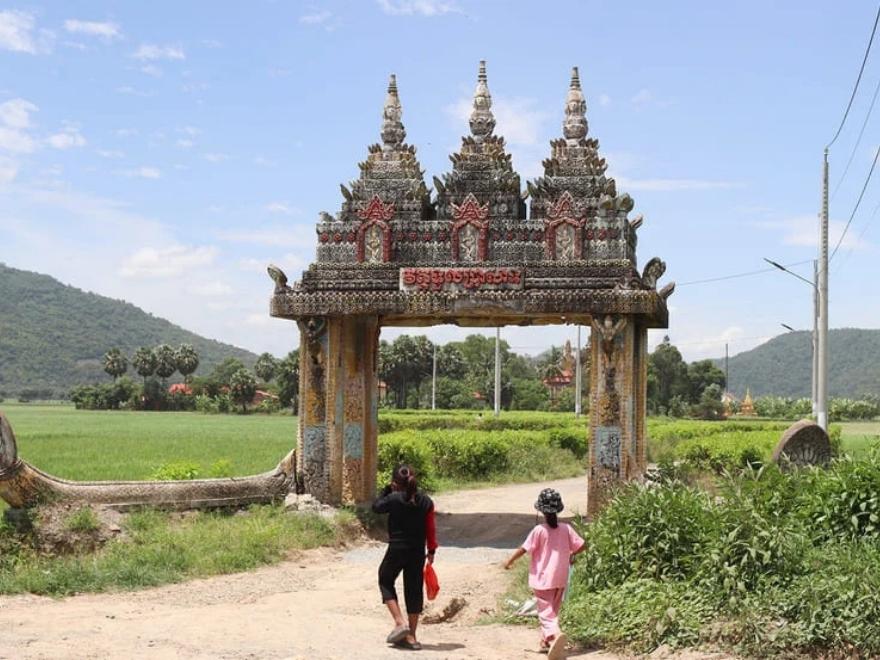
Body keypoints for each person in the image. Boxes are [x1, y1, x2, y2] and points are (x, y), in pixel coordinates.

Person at [504, 488, 586, 658]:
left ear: (541, 510)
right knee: (552, 610)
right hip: (561, 577)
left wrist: (509, 561)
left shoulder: (539, 530)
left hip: (543, 578)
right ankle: (545, 642)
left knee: (545, 612)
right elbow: (582, 545)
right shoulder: (566, 528)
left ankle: (555, 634)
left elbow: (524, 549)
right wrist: (572, 555)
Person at [371, 464, 438, 651]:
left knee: (385, 579)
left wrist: (386, 489)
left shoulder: (393, 499)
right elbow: (430, 528)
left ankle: (400, 622)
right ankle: (412, 637)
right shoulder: (426, 501)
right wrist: (431, 550)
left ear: (395, 483)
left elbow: (376, 507)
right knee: (414, 589)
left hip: (397, 549)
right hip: (417, 551)